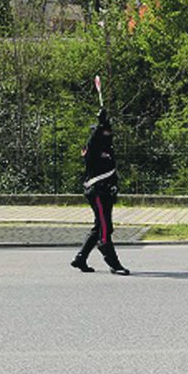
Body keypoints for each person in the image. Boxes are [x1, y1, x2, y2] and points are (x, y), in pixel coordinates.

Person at [70, 108, 130, 275]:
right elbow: (93, 141)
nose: (108, 134)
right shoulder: (93, 150)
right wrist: (100, 124)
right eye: (105, 132)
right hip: (97, 192)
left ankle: (81, 258)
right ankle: (114, 264)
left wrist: (107, 125)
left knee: (99, 227)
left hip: (107, 194)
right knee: (105, 229)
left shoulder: (108, 150)